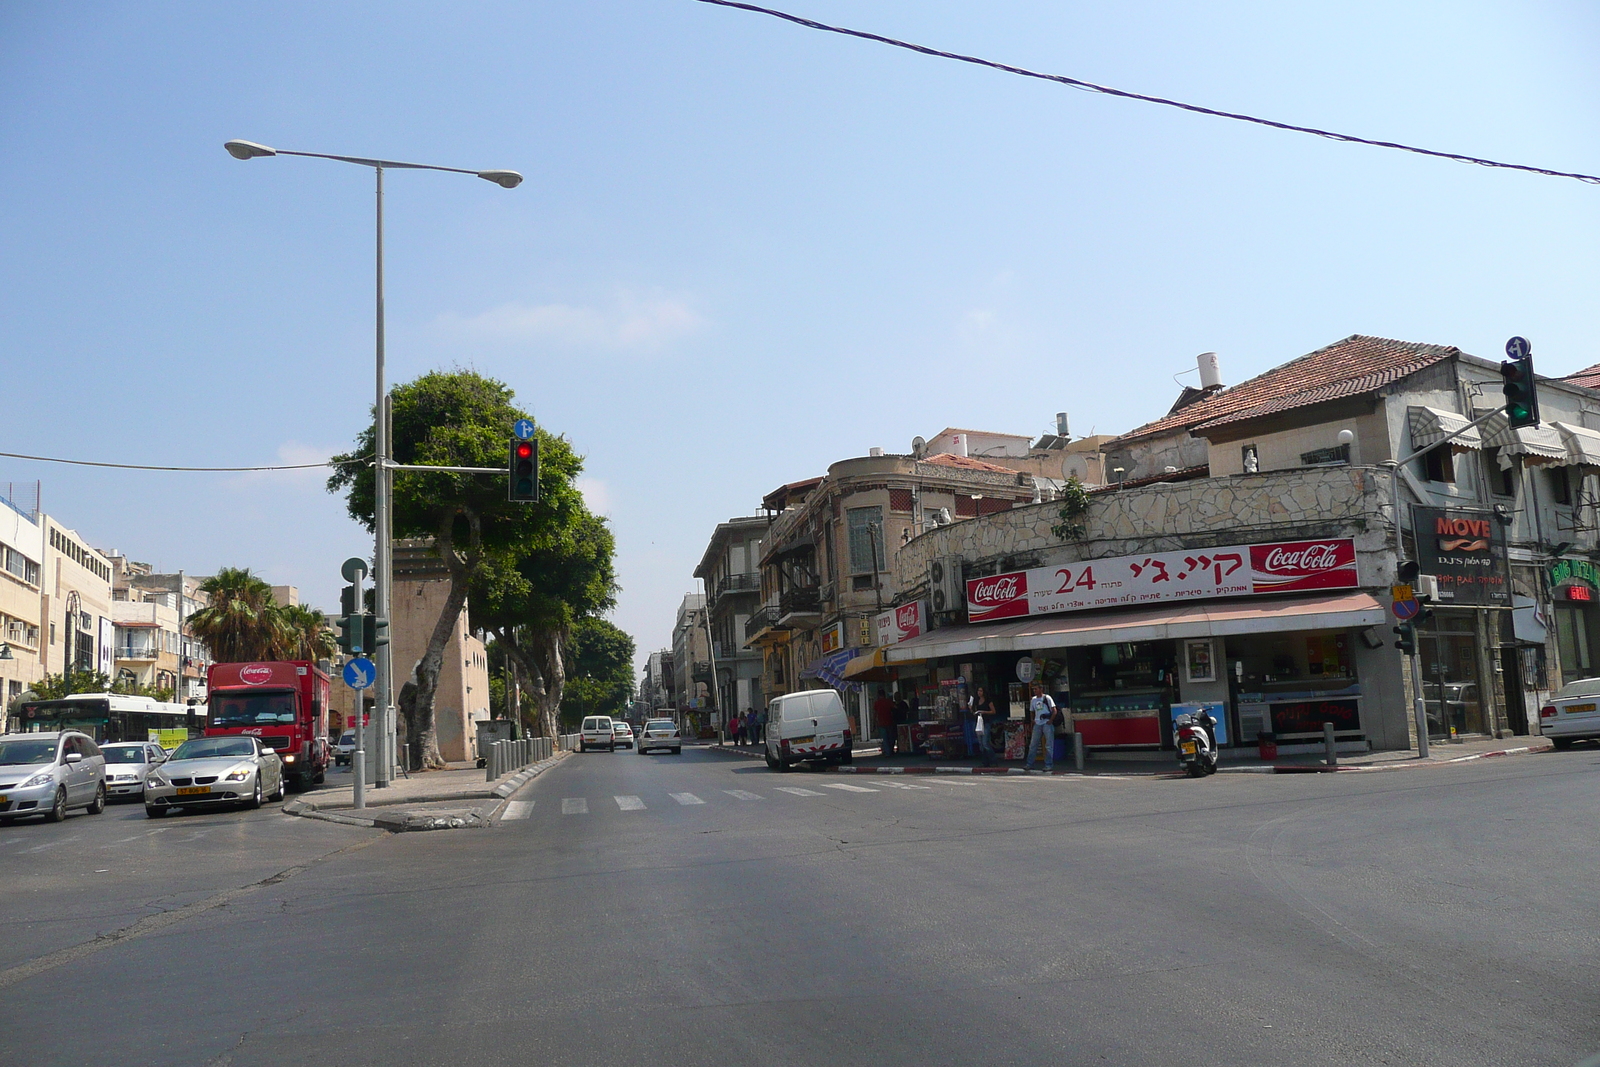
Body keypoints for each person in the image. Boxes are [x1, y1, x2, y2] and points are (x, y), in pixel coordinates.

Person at [1025, 682, 1057, 771]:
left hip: (1046, 722)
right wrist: (1033, 720)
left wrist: (1050, 720)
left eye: (1036, 689)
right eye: (1033, 689)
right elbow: (1032, 710)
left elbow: (1054, 710)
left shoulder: (1047, 698)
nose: (1034, 691)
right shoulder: (1033, 700)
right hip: (1037, 723)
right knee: (1033, 744)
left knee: (1048, 745)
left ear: (1041, 689)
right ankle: (1029, 763)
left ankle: (1048, 764)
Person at [971, 686, 997, 767]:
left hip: (986, 722)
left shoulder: (988, 701)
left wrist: (984, 712)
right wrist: (971, 709)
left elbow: (993, 711)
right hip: (979, 723)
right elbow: (973, 713)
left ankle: (993, 760)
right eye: (978, 691)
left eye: (981, 691)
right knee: (981, 744)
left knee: (985, 743)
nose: (979, 692)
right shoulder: (976, 701)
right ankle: (985, 762)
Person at [873, 689, 896, 757]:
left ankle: (888, 752)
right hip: (889, 721)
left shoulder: (877, 703)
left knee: (885, 739)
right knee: (891, 737)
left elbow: (875, 714)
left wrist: (874, 723)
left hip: (881, 723)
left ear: (878, 695)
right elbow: (895, 708)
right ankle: (891, 750)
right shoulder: (888, 702)